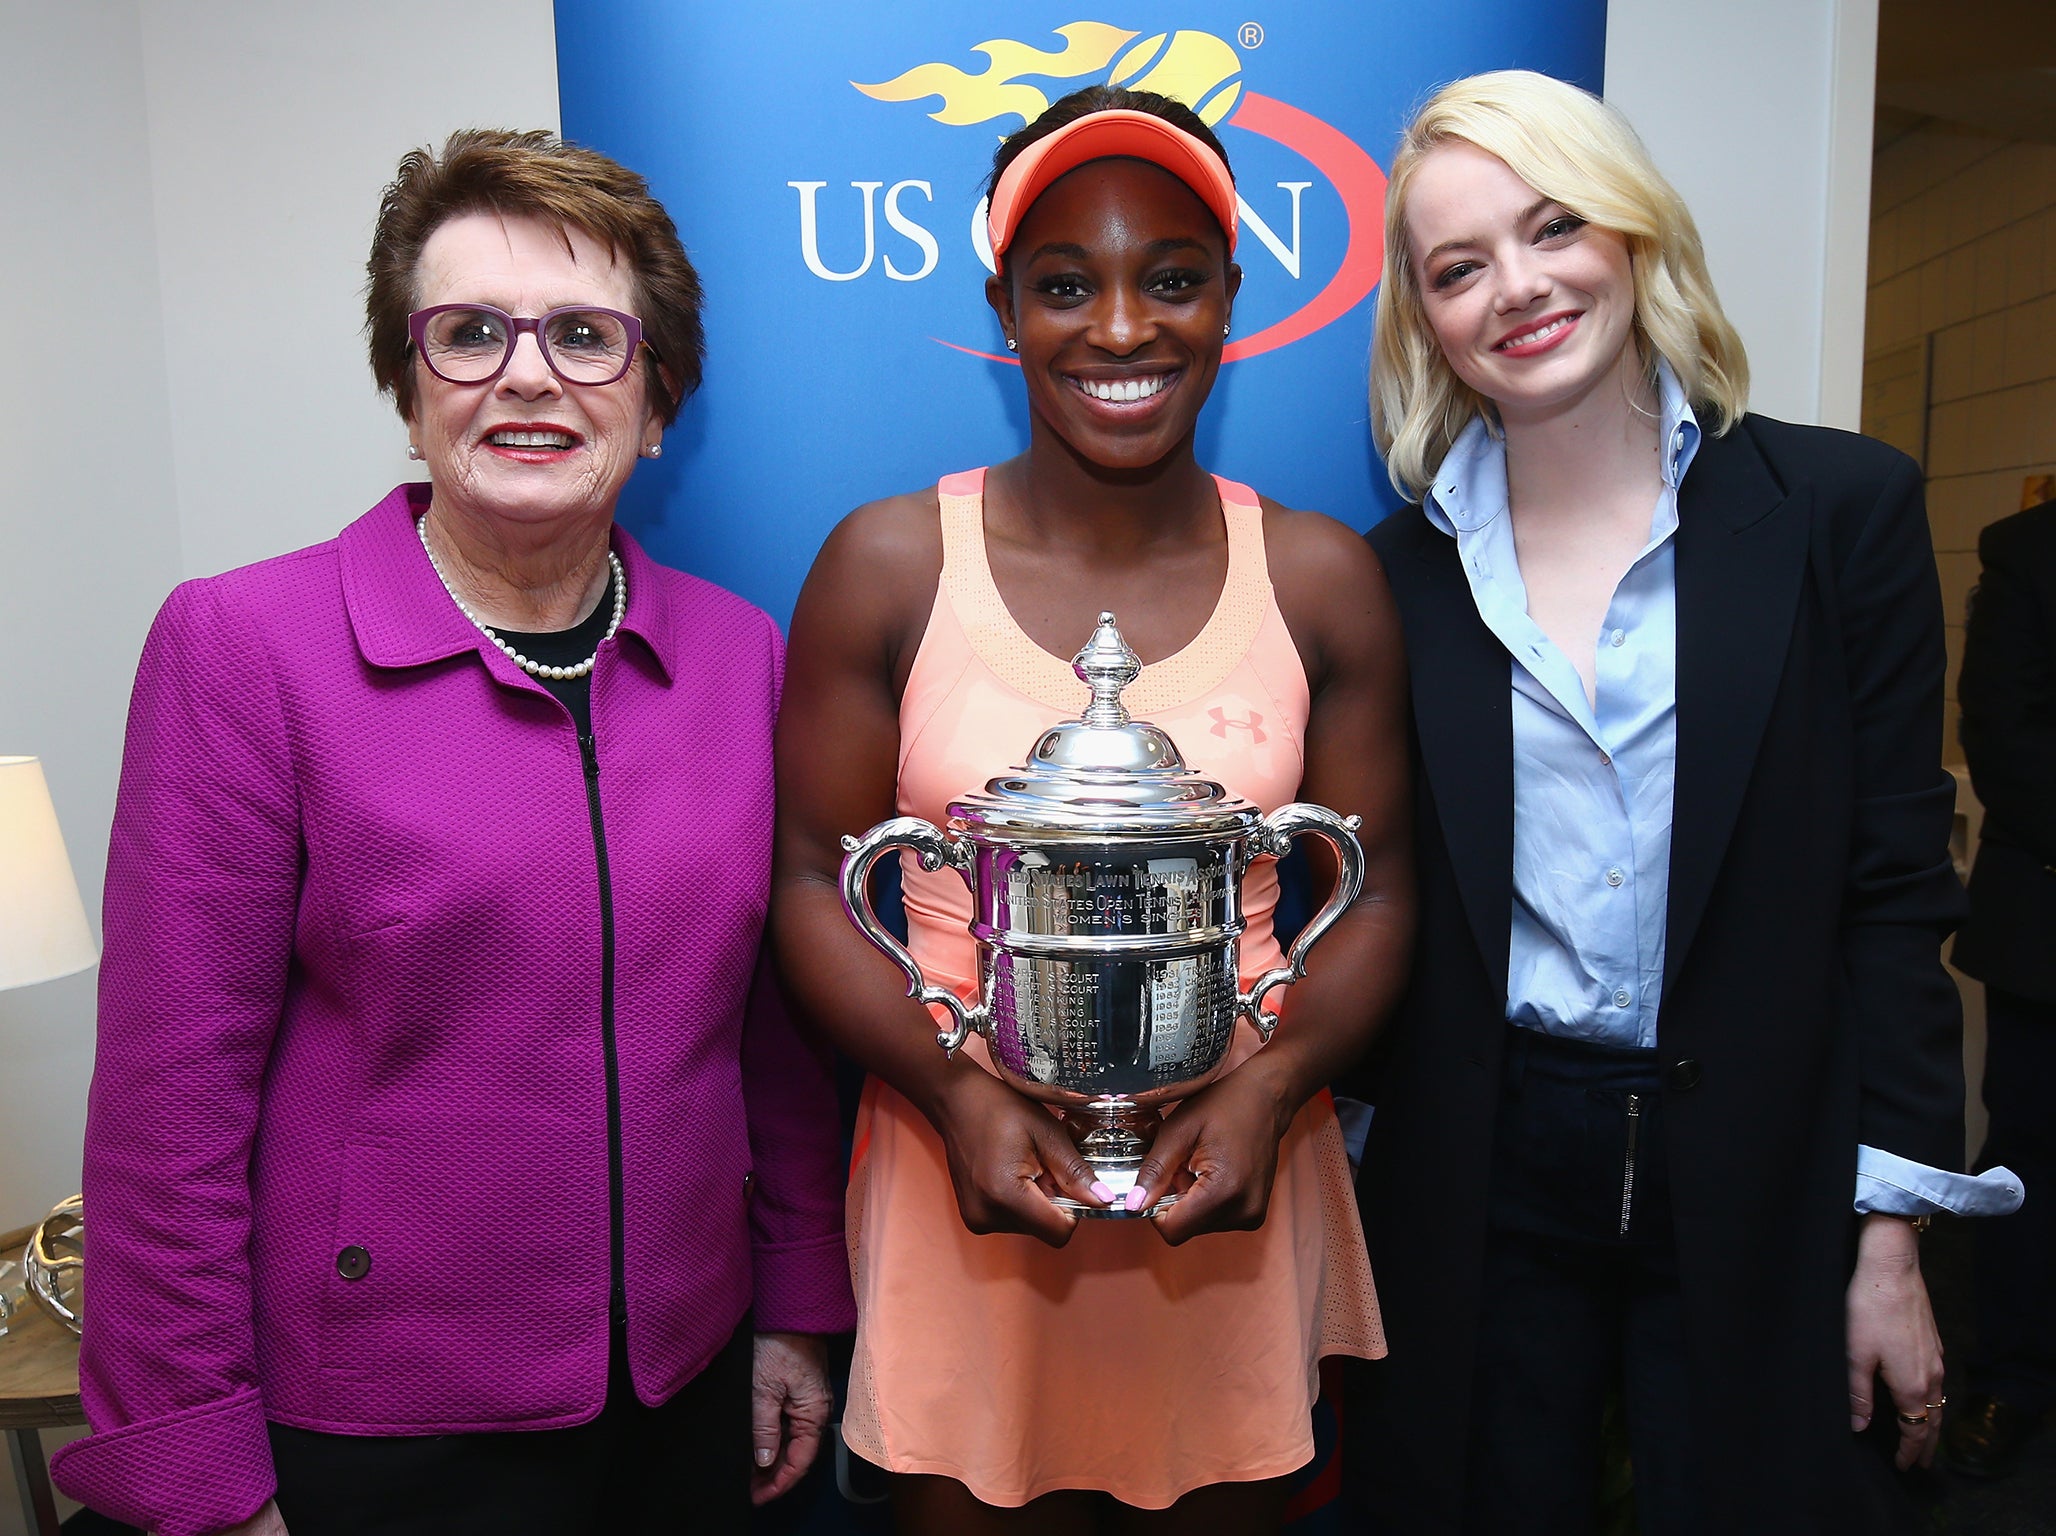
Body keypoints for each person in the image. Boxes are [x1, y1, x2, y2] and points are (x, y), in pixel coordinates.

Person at [49, 130, 852, 1536]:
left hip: (682, 1401)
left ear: (658, 401)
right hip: (370, 1432)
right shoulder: (246, 650)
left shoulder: (740, 659)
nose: (528, 374)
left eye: (587, 336)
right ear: (410, 387)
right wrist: (199, 1470)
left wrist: (792, 1305)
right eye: (470, 332)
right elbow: (166, 1113)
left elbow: (773, 1039)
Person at [1343, 70, 2022, 1534]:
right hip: (1484, 1167)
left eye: (1555, 226)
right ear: (1425, 319)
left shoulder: (1842, 515)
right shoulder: (1390, 580)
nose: (1517, 288)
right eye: (1459, 267)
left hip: (1767, 1161)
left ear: (1635, 233)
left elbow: (1898, 892)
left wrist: (1892, 1242)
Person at [771, 87, 1412, 1535]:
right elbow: (813, 884)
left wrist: (1263, 1090)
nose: (1122, 330)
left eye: (1170, 279)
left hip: (1236, 1186)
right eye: (1067, 286)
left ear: (1232, 298)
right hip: (960, 1191)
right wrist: (953, 1092)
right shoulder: (886, 565)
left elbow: (1379, 896)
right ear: (1004, 307)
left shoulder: (1316, 577)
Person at [1946, 491, 2056, 1477]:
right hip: (2047, 936)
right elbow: (2006, 742)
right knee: (2029, 1157)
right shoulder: (2025, 552)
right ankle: (2008, 1381)